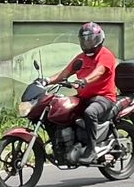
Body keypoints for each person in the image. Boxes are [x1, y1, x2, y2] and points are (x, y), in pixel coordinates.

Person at [49, 21, 118, 162]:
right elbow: (64, 74)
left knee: (90, 112)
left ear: (98, 39)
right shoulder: (81, 57)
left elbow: (99, 71)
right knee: (59, 109)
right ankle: (64, 145)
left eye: (90, 39)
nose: (87, 43)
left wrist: (85, 80)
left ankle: (91, 150)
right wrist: (45, 80)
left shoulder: (105, 55)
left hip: (104, 98)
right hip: (84, 97)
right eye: (84, 40)